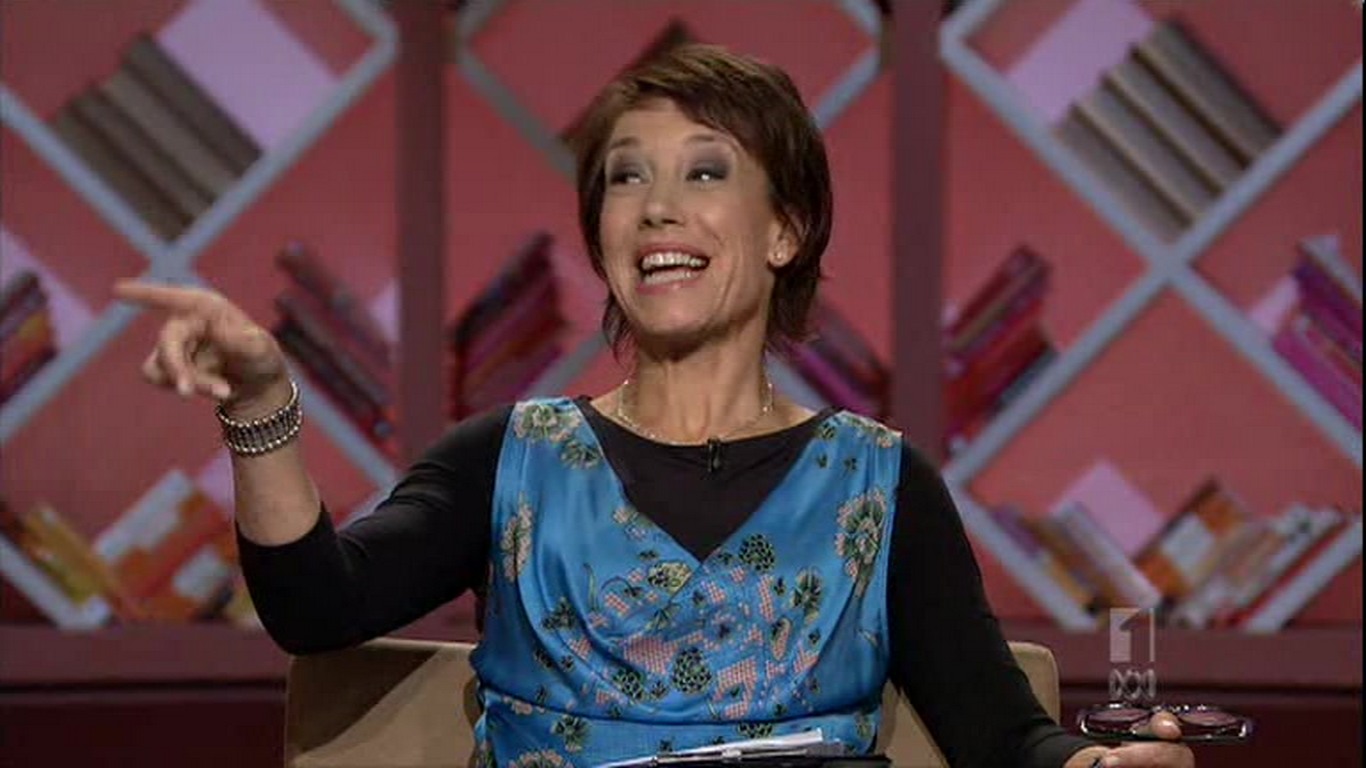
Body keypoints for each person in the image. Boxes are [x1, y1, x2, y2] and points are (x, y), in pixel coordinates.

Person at [115, 45, 1195, 768]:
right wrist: (260, 401)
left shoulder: (880, 486)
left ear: (785, 231)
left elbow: (1001, 736)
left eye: (705, 173)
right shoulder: (512, 461)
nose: (657, 208)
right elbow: (316, 609)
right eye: (625, 179)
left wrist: (1099, 765)